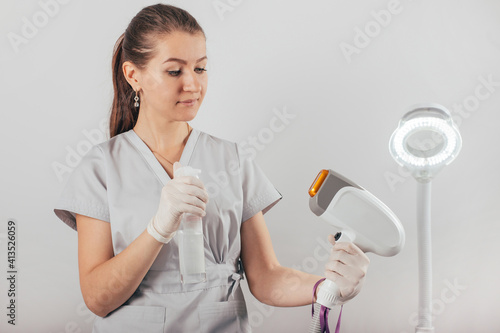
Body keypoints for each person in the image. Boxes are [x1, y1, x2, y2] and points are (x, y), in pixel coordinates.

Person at [54, 4, 370, 332]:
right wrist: (158, 229)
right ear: (134, 75)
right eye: (175, 71)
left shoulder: (232, 160)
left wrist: (327, 288)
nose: (192, 84)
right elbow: (97, 297)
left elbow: (266, 278)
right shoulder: (100, 167)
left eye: (201, 68)